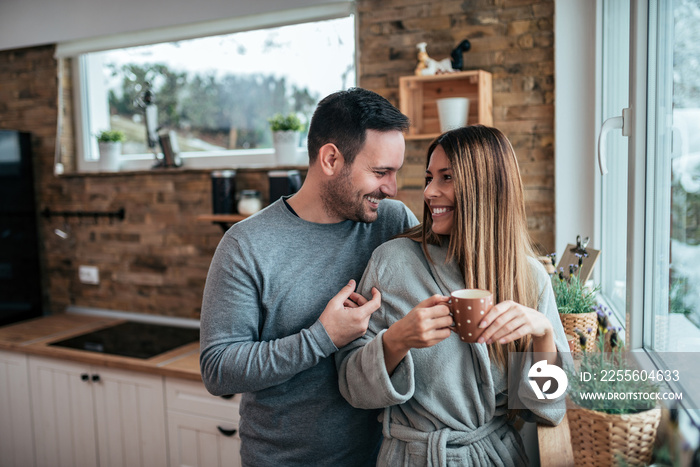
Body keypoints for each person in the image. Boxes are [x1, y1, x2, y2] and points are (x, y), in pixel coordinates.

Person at [199, 87, 419, 467]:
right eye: (380, 172)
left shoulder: (393, 222)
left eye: (395, 173)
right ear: (331, 158)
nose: (391, 188)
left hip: (381, 457)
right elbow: (218, 368)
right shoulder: (247, 244)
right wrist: (323, 338)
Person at [336, 125, 569, 466]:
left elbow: (550, 408)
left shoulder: (528, 279)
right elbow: (352, 386)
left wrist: (544, 334)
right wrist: (397, 340)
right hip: (412, 457)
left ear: (486, 187)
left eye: (447, 178)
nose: (429, 192)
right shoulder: (393, 261)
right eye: (430, 177)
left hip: (493, 457)